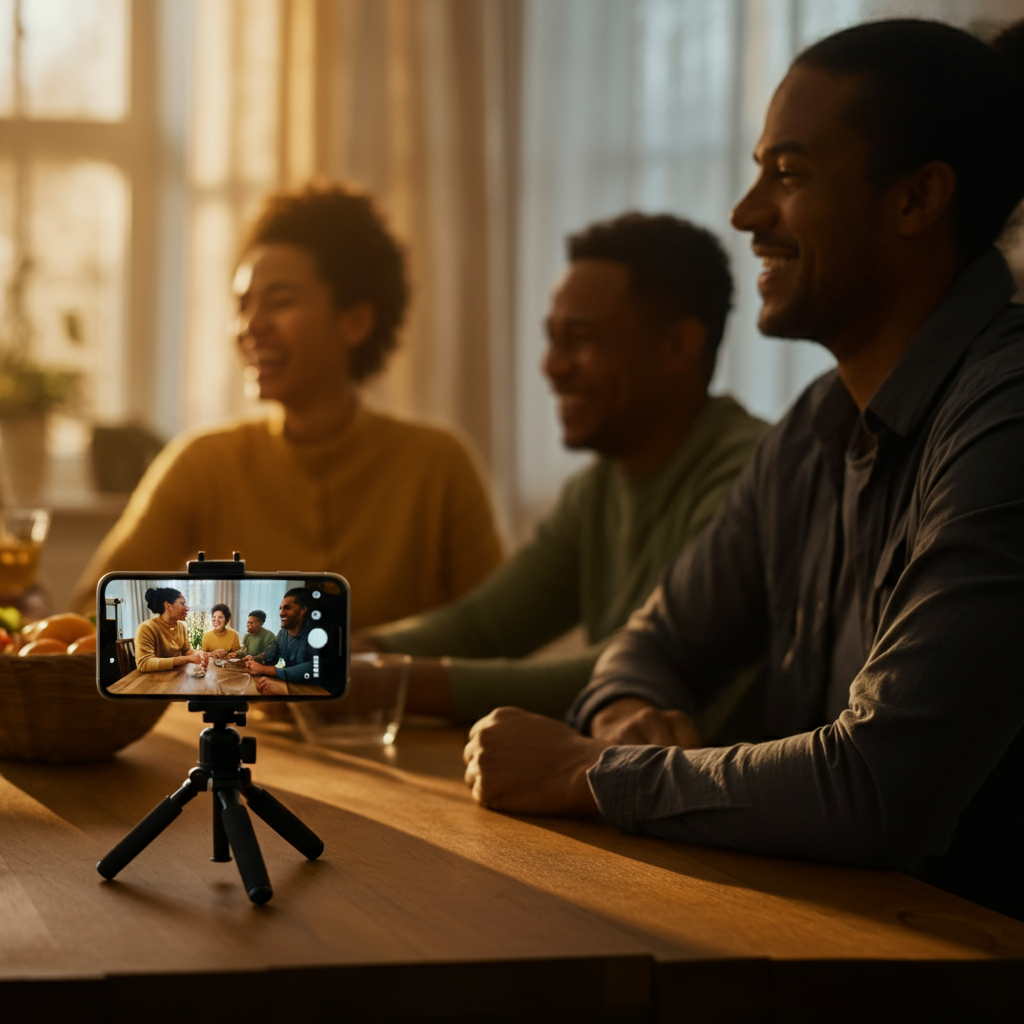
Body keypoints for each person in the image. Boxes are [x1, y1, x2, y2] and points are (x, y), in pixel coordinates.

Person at [463, 19, 1024, 921]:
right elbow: (649, 649)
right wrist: (629, 714)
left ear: (917, 200)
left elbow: (877, 789)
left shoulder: (1006, 417)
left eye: (789, 174)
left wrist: (593, 772)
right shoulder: (815, 424)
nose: (744, 211)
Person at [364, 214, 766, 729]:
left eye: (579, 339)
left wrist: (380, 680)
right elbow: (485, 626)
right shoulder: (598, 487)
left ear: (677, 348)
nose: (552, 367)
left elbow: (635, 674)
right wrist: (359, 651)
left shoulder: (748, 474)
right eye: (551, 340)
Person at [71, 184, 503, 631]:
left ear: (355, 320)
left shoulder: (439, 466)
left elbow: (499, 635)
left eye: (279, 302)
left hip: (398, 706)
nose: (250, 326)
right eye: (242, 305)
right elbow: (91, 614)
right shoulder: (202, 463)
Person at [245, 589, 314, 695]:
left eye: (287, 608)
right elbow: (273, 651)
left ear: (303, 609)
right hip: (288, 687)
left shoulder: (315, 633)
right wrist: (256, 659)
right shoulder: (283, 633)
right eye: (280, 609)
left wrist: (265, 669)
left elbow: (314, 667)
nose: (281, 613)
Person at [134, 587, 208, 673]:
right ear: (168, 606)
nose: (187, 608)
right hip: (154, 680)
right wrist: (187, 659)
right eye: (182, 603)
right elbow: (144, 663)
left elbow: (186, 651)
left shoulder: (181, 626)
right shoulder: (147, 628)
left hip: (175, 677)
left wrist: (202, 654)